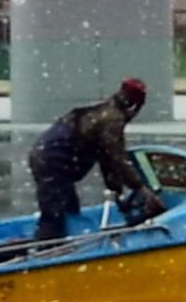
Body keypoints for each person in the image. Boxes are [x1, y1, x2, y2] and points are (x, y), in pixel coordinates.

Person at [30, 77, 160, 240]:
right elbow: (117, 159)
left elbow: (106, 159)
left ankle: (61, 244)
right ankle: (46, 253)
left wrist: (117, 190)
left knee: (69, 207)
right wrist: (140, 188)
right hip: (53, 160)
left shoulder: (105, 110)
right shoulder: (112, 120)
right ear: (134, 106)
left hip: (46, 154)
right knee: (55, 213)